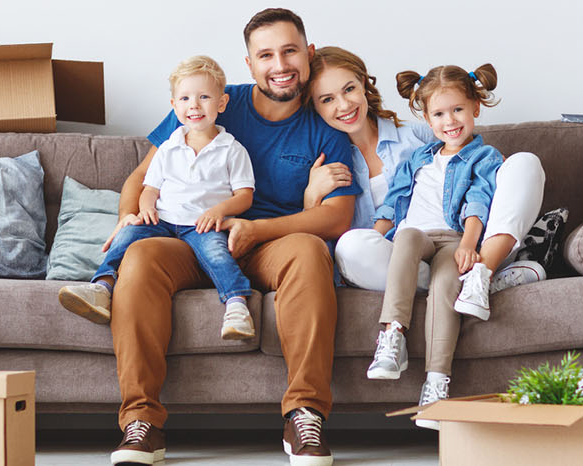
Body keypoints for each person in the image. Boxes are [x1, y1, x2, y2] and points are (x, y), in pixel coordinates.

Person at [98, 9, 358, 466]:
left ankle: (305, 414)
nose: (280, 64)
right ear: (250, 64)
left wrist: (256, 228)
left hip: (269, 246)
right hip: (187, 240)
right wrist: (127, 217)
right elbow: (142, 177)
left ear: (308, 53)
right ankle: (142, 422)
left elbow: (337, 217)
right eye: (266, 55)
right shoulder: (211, 101)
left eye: (290, 50)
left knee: (309, 250)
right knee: (138, 259)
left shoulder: (325, 124)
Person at [303, 49, 547, 408]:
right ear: (315, 107)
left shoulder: (417, 139)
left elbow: (476, 187)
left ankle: (482, 272)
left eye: (349, 89)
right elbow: (383, 211)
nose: (343, 104)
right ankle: (460, 290)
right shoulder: (325, 158)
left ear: (365, 86)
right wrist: (312, 195)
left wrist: (492, 193)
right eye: (327, 99)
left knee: (524, 164)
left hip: (460, 244)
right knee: (352, 246)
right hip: (401, 260)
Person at [57, 55, 258, 340]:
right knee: (126, 236)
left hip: (203, 225)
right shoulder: (168, 147)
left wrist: (220, 211)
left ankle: (237, 307)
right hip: (162, 220)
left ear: (222, 103)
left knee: (218, 254)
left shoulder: (232, 149)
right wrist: (144, 208)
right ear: (174, 106)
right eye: (185, 98)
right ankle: (101, 288)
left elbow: (244, 196)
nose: (194, 105)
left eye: (204, 97)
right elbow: (149, 187)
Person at [374, 63, 513, 430]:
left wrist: (469, 244)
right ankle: (392, 334)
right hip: (416, 236)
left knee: (443, 289)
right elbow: (393, 201)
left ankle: (436, 385)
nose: (449, 121)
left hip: (453, 240)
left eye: (457, 110)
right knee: (404, 236)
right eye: (439, 113)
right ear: (425, 116)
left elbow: (478, 201)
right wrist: (376, 234)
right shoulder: (417, 158)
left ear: (475, 109)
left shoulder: (485, 157)